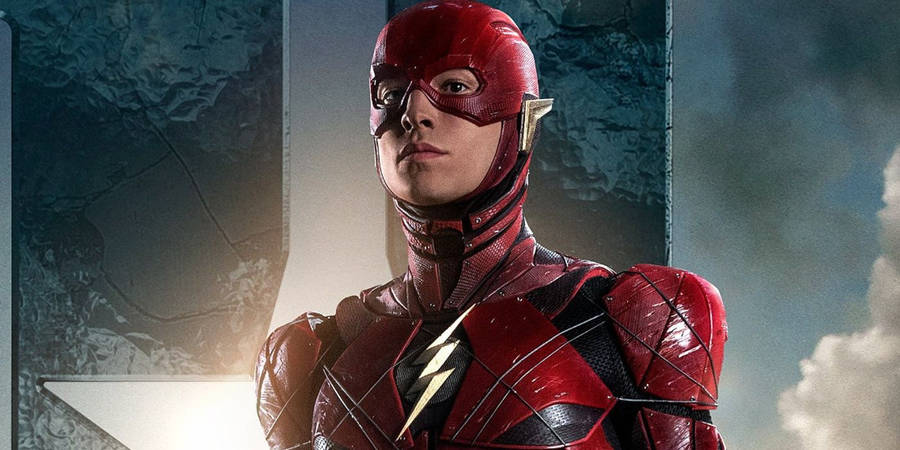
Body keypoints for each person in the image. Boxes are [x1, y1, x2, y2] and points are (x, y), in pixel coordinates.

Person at [254, 1, 727, 448]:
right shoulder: (308, 356)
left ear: (523, 121)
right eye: (392, 93)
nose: (413, 114)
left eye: (455, 88)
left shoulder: (639, 320)